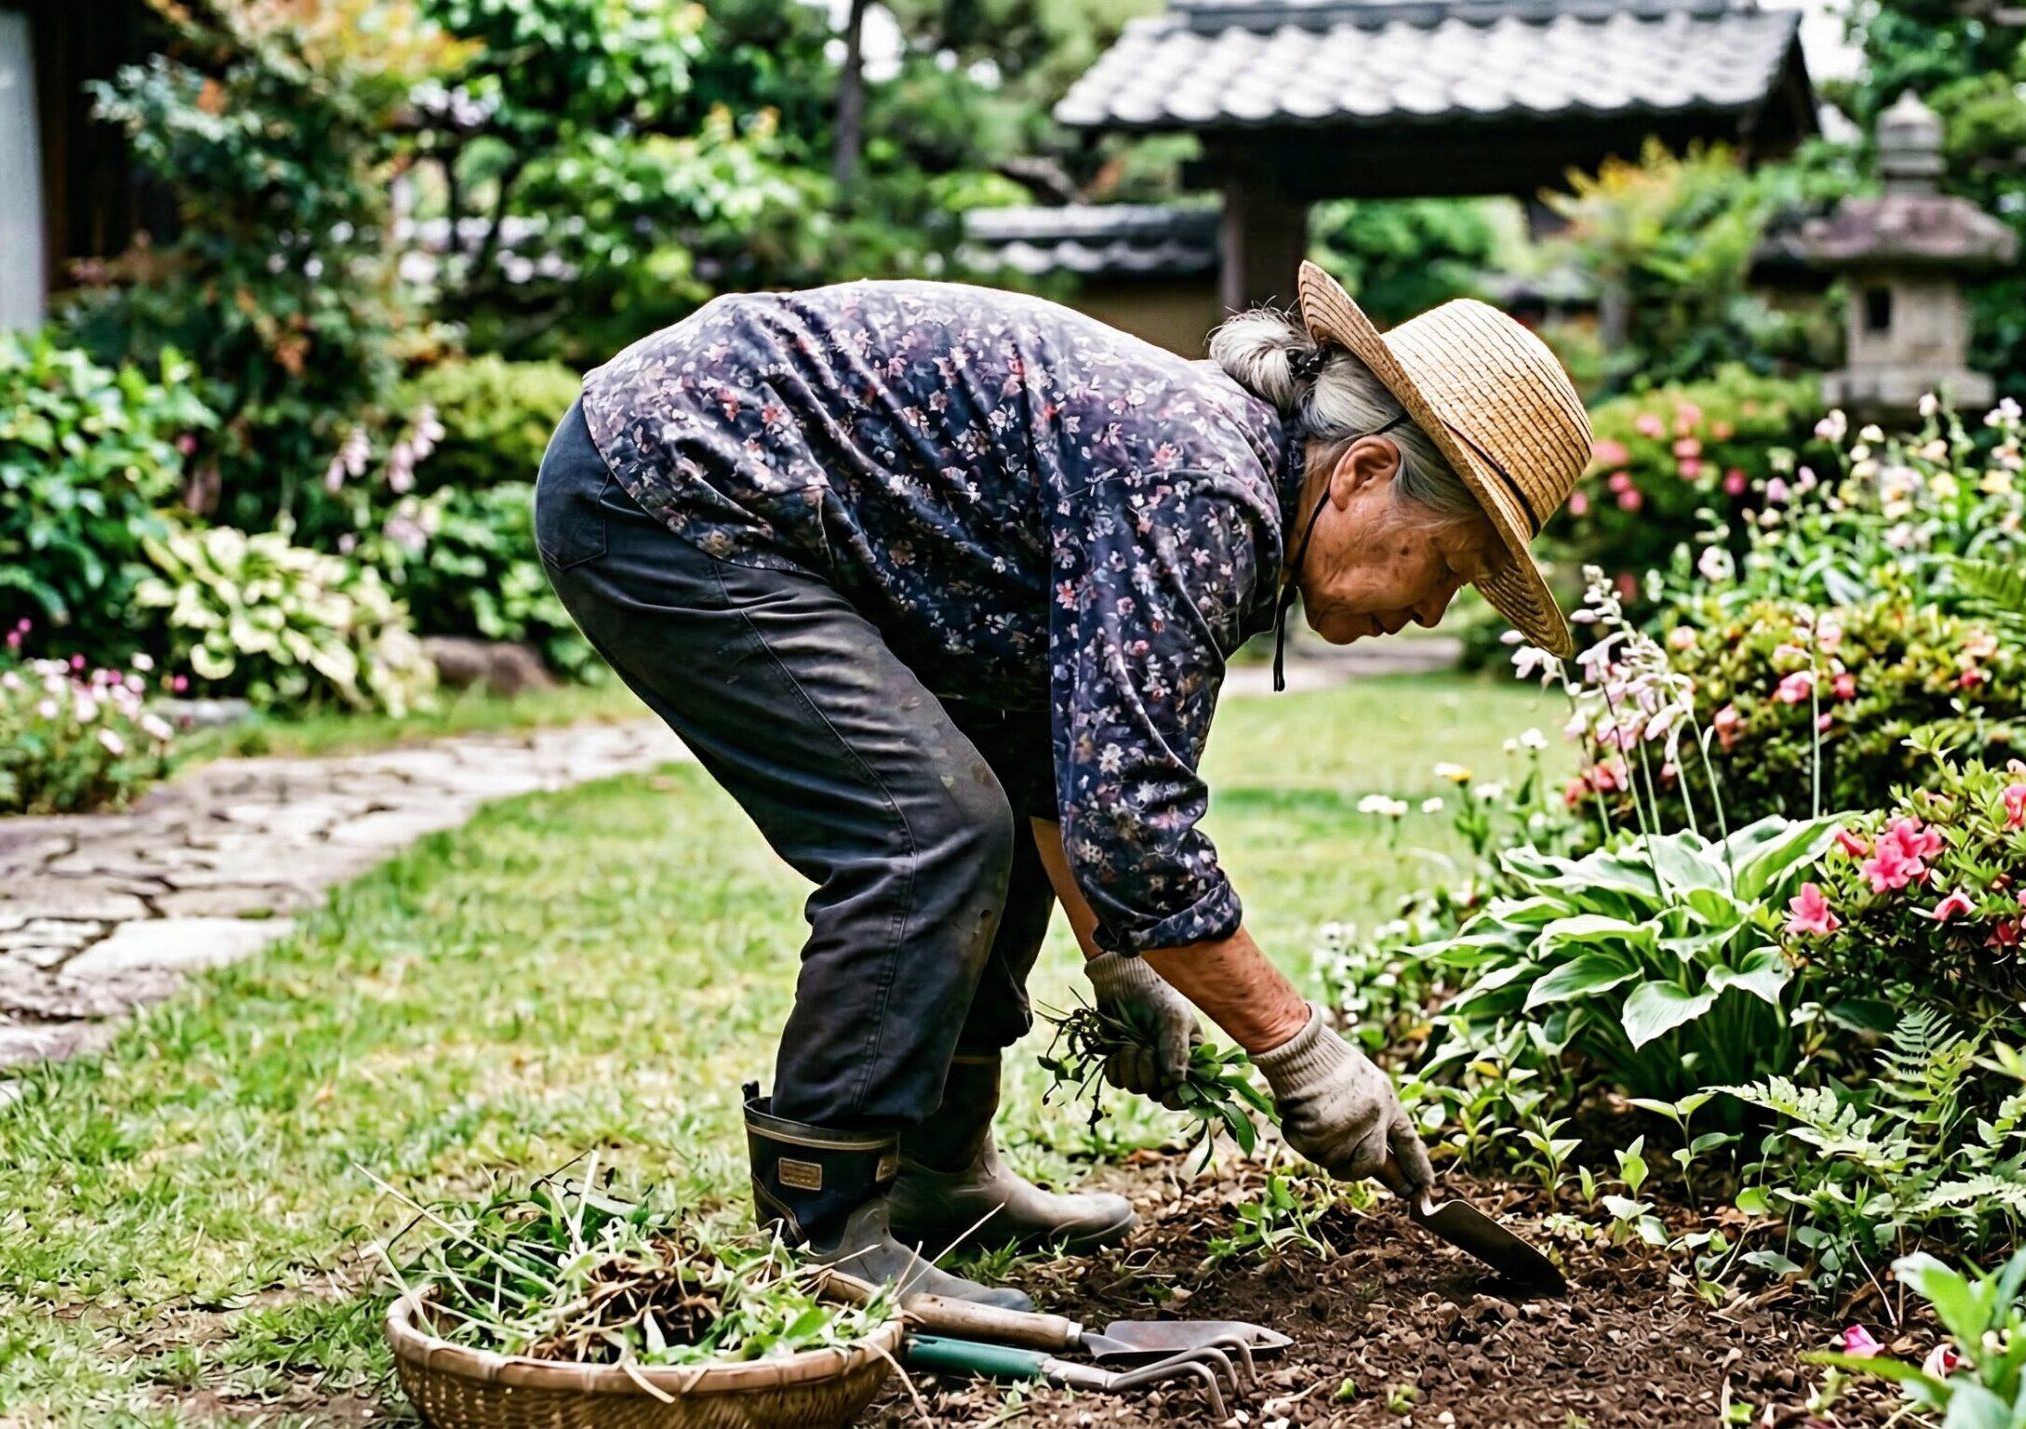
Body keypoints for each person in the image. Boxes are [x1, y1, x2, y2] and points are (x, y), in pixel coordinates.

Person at [534, 262, 1588, 1309]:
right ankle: (827, 1227)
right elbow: (1136, 827)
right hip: (671, 478)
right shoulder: (1201, 483)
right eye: (1447, 563)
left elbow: (1065, 764)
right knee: (924, 827)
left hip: (731, 478)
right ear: (1360, 472)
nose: (1437, 610)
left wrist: (1118, 955)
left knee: (988, 781)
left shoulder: (1222, 477)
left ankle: (941, 1174)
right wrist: (1297, 1048)